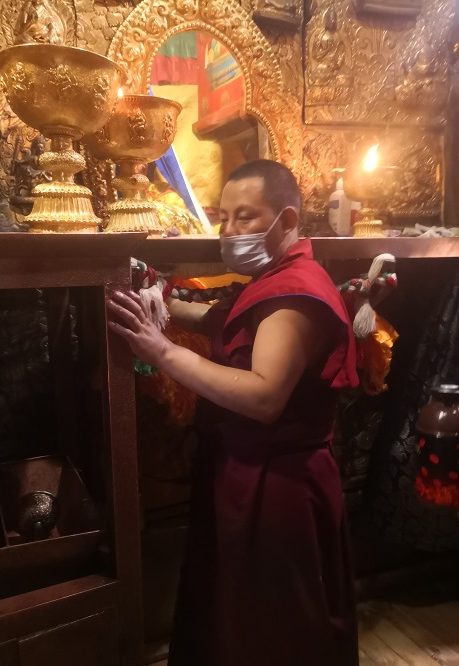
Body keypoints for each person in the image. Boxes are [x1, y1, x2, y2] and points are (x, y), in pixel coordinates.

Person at [107, 159, 360, 666]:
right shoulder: (274, 277)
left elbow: (264, 397)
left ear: (288, 221)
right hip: (247, 473)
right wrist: (160, 297)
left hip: (278, 486)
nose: (229, 231)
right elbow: (226, 322)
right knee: (234, 619)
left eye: (246, 217)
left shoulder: (296, 294)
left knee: (273, 630)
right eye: (223, 217)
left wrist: (162, 351)